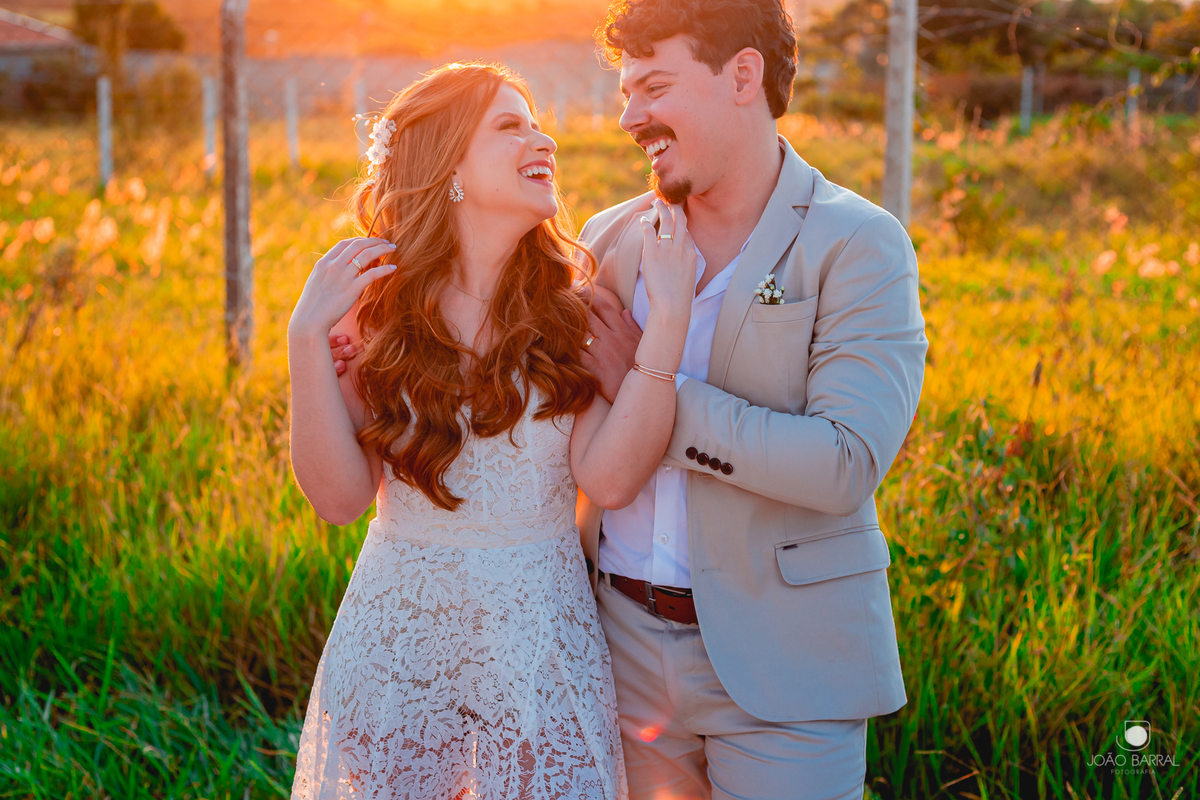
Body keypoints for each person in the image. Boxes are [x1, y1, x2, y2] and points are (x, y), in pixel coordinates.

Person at [288, 62, 701, 799]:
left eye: (537, 120)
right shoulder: (371, 316)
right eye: (510, 124)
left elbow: (609, 477)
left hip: (539, 632)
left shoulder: (570, 316)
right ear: (449, 165)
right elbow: (339, 500)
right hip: (399, 634)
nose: (541, 137)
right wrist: (303, 341)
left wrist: (666, 327)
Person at [573, 0, 928, 797]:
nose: (630, 116)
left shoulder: (859, 243)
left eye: (654, 87)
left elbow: (842, 462)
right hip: (615, 657)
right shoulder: (606, 240)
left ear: (743, 75)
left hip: (789, 666)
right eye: (626, 92)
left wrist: (650, 390)